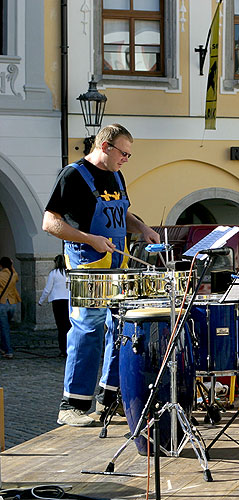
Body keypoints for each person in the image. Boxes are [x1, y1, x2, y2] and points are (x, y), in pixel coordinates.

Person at [42, 123, 160, 427]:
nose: (126, 160)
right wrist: (89, 238)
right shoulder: (73, 175)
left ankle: (111, 398)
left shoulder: (116, 176)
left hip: (117, 268)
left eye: (129, 155)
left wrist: (143, 228)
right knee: (87, 329)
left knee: (121, 329)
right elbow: (50, 223)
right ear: (105, 146)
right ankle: (73, 405)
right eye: (124, 153)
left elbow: (123, 214)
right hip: (88, 267)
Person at [38, 254, 71, 357]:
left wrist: (41, 300)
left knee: (61, 327)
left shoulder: (53, 273)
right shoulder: (69, 273)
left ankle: (63, 349)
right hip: (68, 300)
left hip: (57, 301)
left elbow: (48, 289)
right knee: (69, 325)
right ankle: (70, 348)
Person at [0, 256, 21, 359]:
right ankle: (3, 347)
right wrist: (11, 266)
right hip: (12, 303)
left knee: (4, 328)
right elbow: (16, 277)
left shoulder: (0, 275)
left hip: (2, 303)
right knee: (5, 326)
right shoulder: (14, 275)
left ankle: (8, 350)